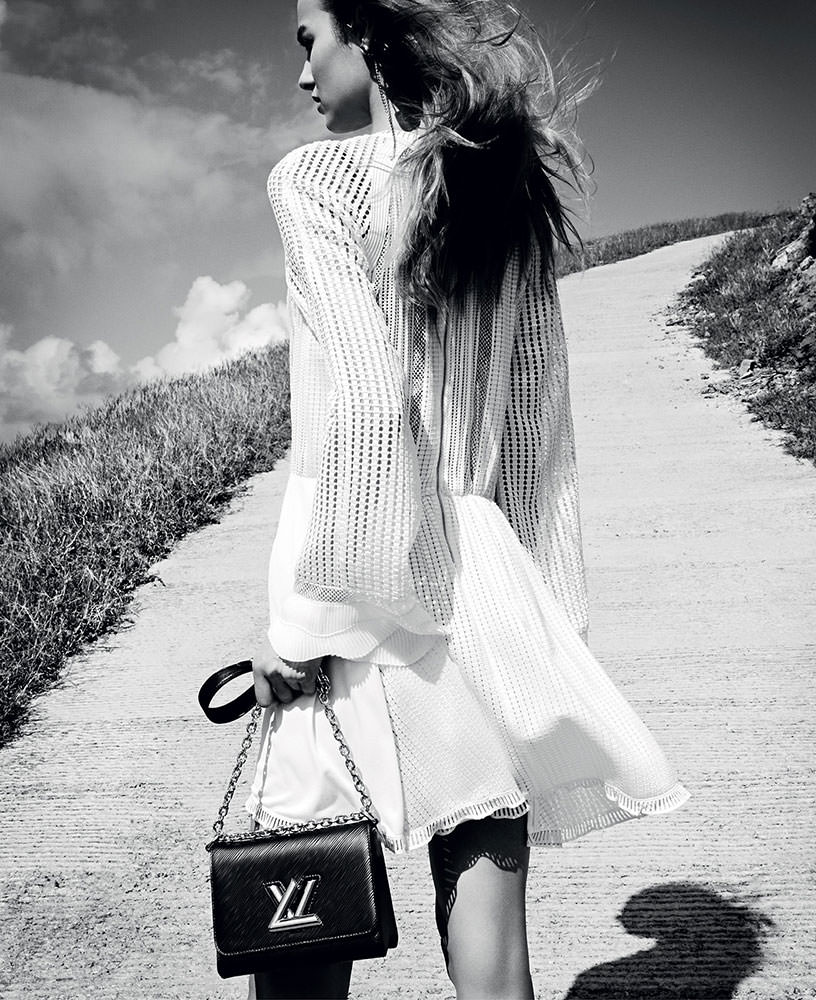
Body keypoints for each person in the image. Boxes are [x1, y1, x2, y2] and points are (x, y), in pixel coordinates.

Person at [246, 1, 689, 998]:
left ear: (369, 33)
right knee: (495, 963)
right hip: (486, 590)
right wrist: (549, 616)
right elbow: (540, 438)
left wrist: (307, 622)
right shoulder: (507, 193)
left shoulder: (314, 181)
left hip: (360, 592)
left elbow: (363, 413)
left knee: (300, 908)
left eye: (308, 41)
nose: (301, 72)